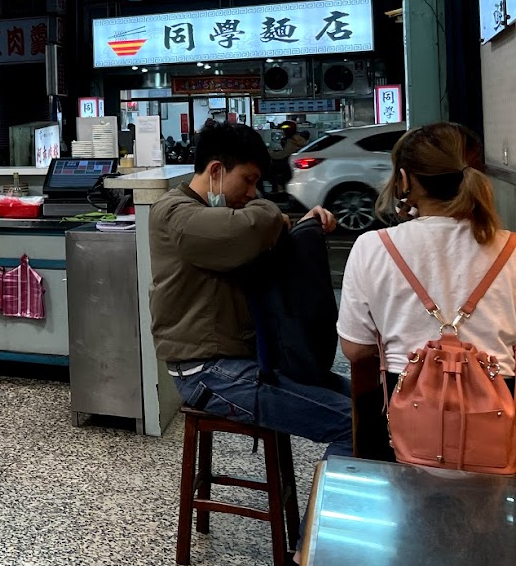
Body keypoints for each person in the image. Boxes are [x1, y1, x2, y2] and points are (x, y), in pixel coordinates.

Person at [149, 121, 352, 461]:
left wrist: (301, 223)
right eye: (248, 179)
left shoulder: (218, 212)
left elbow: (255, 228)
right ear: (216, 170)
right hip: (207, 373)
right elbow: (249, 227)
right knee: (353, 424)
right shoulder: (175, 213)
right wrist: (275, 215)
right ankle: (327, 500)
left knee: (364, 403)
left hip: (238, 361)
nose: (251, 193)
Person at [338, 123, 515, 459]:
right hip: (498, 422)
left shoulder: (373, 247)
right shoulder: (511, 250)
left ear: (405, 180)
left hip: (403, 427)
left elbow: (356, 350)